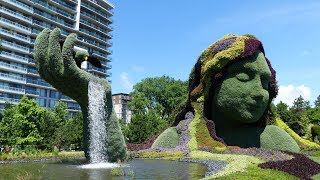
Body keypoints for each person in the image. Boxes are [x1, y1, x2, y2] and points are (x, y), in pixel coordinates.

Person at [170, 34, 300, 151]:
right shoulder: (176, 139)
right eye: (243, 76)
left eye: (265, 82)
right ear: (211, 84)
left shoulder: (273, 139)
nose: (260, 92)